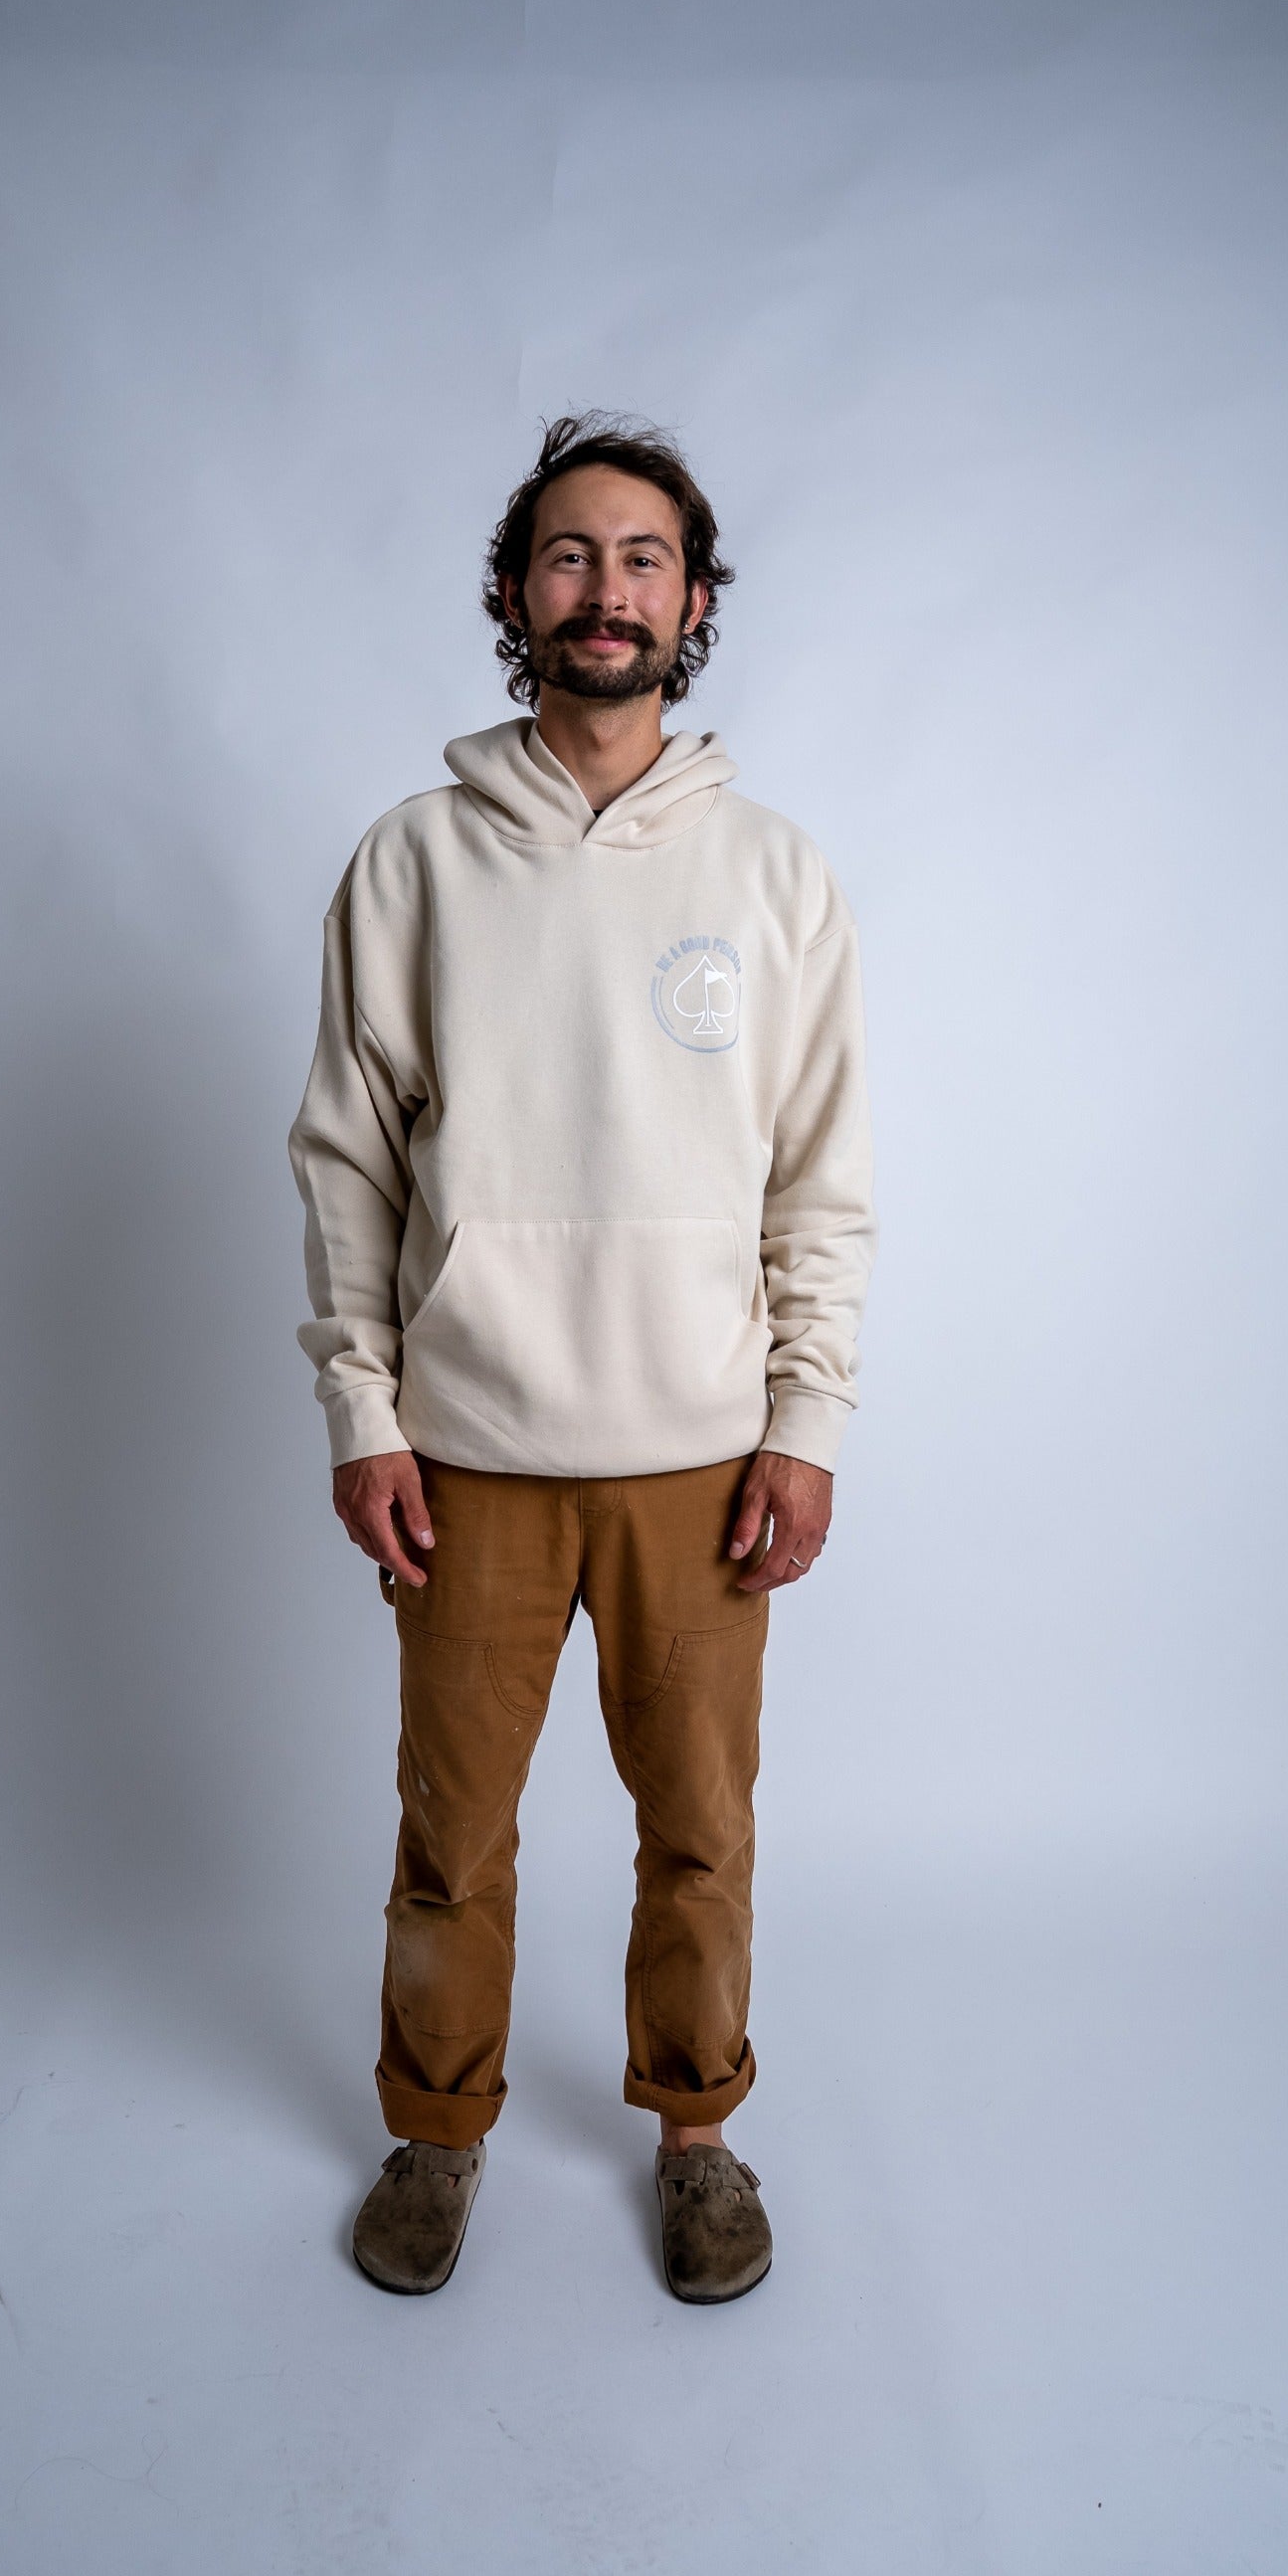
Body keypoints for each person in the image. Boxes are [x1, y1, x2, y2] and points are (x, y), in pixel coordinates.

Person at [286, 413, 877, 2301]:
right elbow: (346, 1159)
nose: (603, 589)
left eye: (641, 559)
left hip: (700, 1456)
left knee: (698, 1833)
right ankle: (434, 2132)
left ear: (691, 601)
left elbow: (821, 1179)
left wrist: (805, 1420)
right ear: (515, 592)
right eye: (566, 555)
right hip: (465, 1451)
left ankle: (696, 2132)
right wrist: (363, 1415)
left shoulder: (776, 876)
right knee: (451, 1840)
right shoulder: (414, 861)